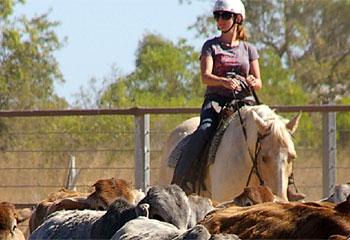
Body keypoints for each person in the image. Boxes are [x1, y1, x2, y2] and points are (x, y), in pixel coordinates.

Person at [172, 0, 305, 201]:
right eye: (217, 16)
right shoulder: (211, 46)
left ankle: (288, 187)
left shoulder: (249, 49)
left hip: (245, 102)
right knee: (204, 129)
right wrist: (224, 82)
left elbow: (258, 82)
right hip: (216, 102)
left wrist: (252, 80)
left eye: (225, 15)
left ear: (238, 19)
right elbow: (205, 77)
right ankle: (183, 179)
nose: (220, 20)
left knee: (276, 141)